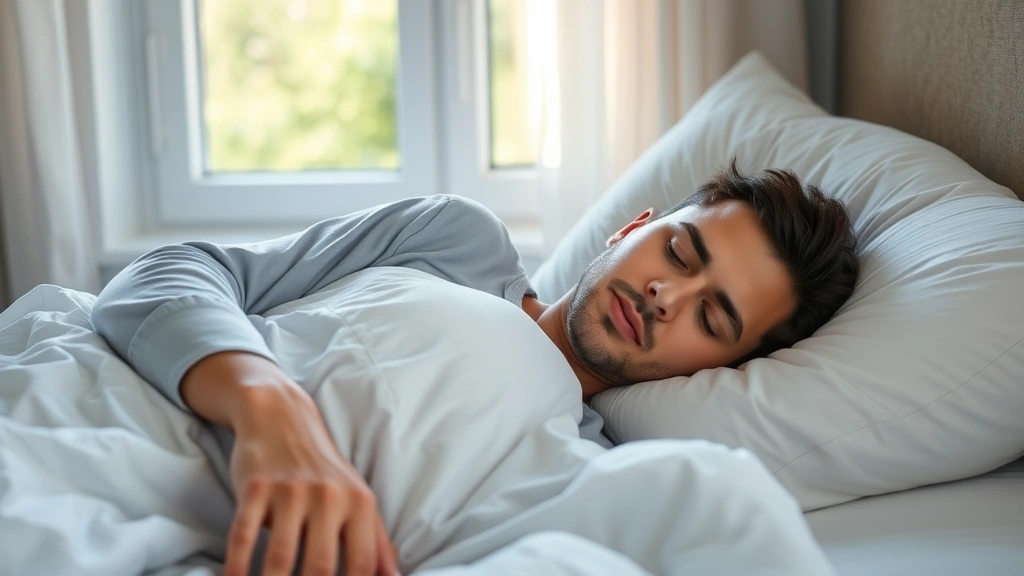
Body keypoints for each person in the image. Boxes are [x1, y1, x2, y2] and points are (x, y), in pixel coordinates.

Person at [91, 159, 858, 576]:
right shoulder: (458, 242)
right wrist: (271, 413)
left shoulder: (583, 474)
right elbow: (164, 278)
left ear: (716, 368)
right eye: (681, 253)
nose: (666, 295)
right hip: (99, 425)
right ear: (633, 229)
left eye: (711, 316)